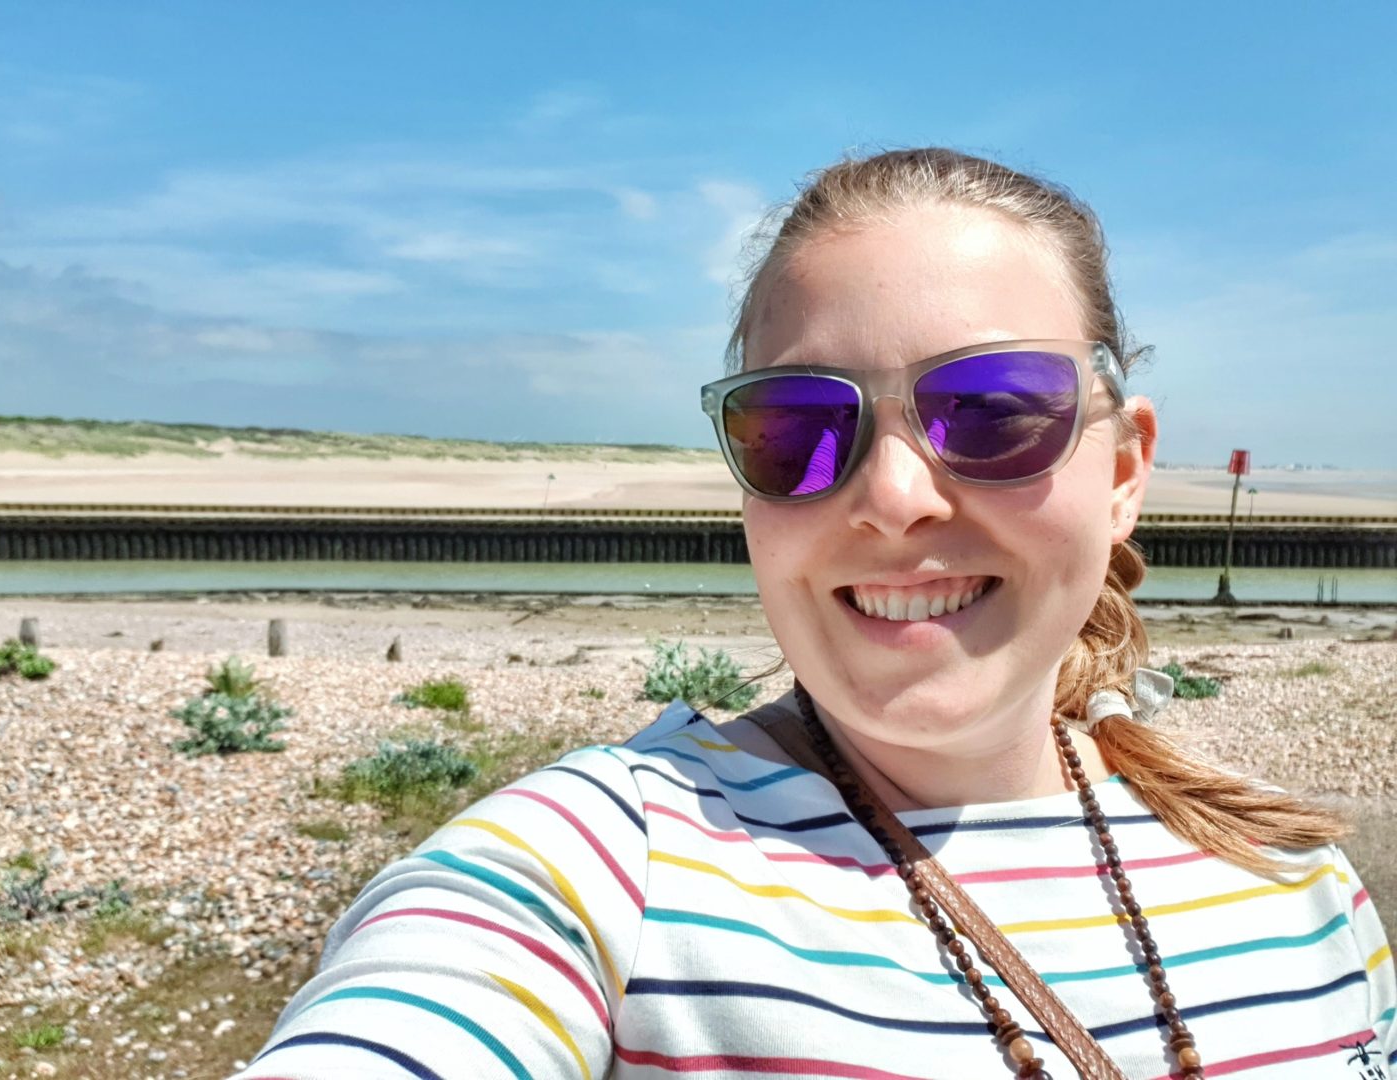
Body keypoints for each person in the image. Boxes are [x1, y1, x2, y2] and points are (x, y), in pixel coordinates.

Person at [232, 149, 1394, 1079]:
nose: (891, 498)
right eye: (797, 427)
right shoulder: (607, 866)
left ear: (1126, 468)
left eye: (992, 413)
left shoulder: (1298, 887)